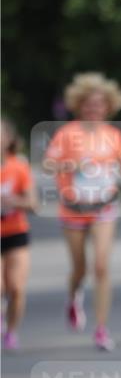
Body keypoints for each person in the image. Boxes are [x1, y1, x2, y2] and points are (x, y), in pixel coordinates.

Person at [43, 73, 121, 351]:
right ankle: (74, 295)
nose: (94, 109)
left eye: (99, 104)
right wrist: (69, 166)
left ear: (108, 107)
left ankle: (101, 329)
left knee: (101, 267)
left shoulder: (113, 136)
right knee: (80, 268)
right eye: (89, 104)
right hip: (74, 207)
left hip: (104, 205)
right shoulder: (68, 134)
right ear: (79, 105)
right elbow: (48, 165)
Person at [1, 118, 37, 351]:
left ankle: (11, 331)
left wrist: (14, 201)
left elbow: (33, 204)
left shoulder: (19, 167)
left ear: (9, 138)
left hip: (16, 233)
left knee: (16, 288)